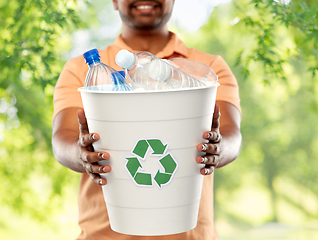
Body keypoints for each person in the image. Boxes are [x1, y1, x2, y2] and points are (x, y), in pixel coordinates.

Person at [52, 0, 242, 239]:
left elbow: (231, 135)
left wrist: (218, 148)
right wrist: (81, 153)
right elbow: (62, 141)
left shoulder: (207, 68)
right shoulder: (81, 70)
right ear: (114, 2)